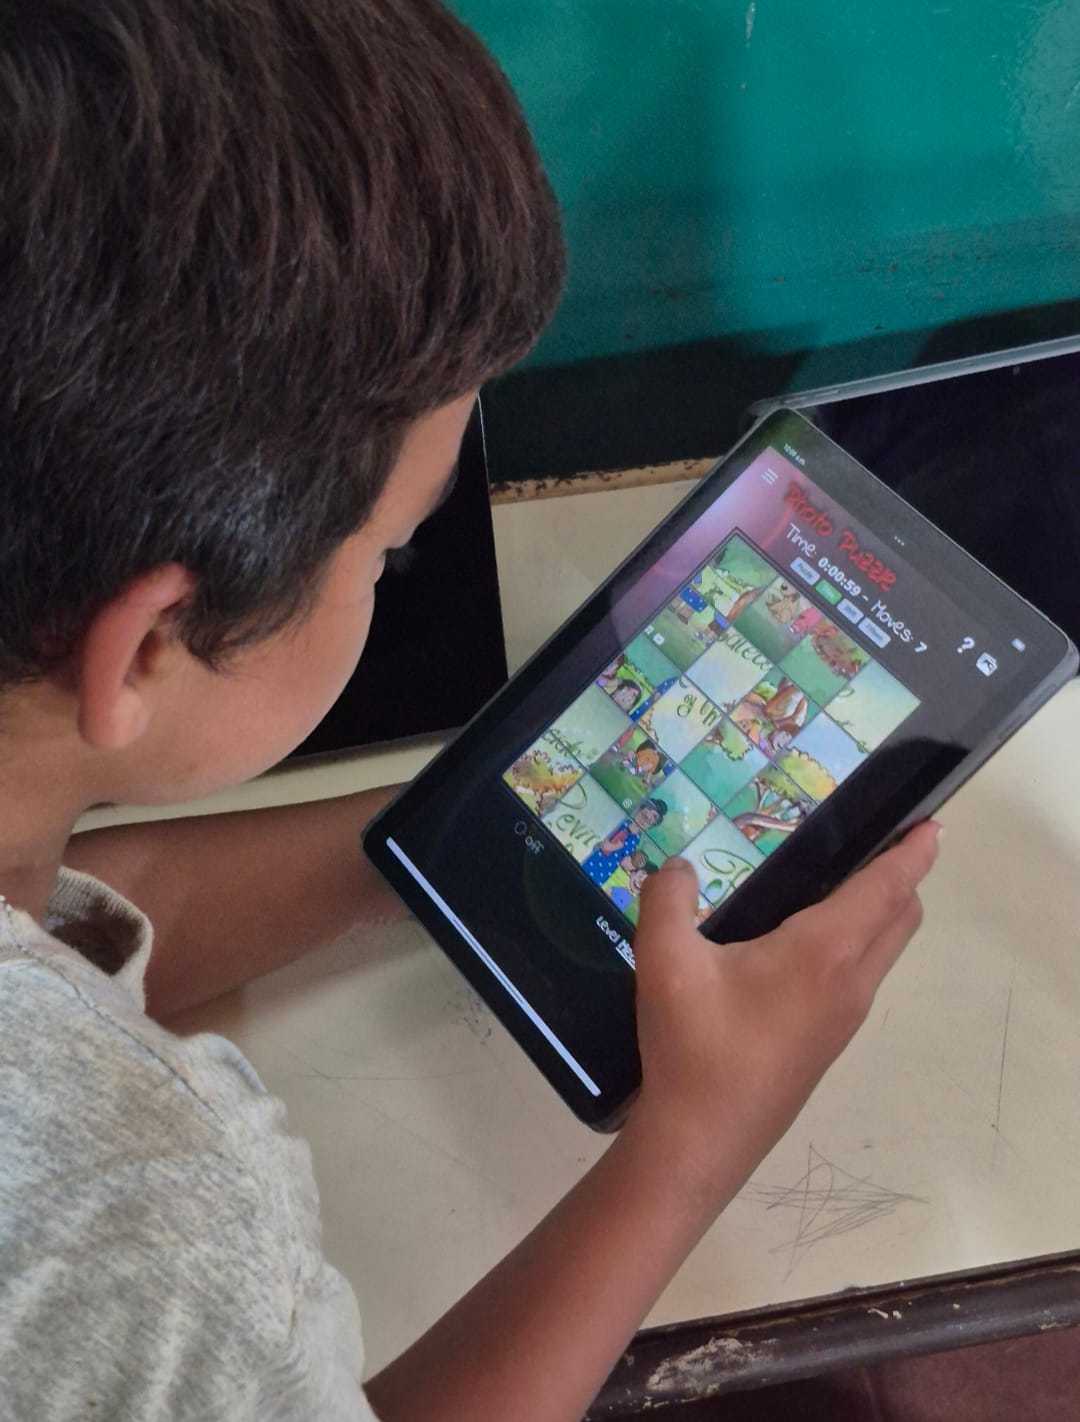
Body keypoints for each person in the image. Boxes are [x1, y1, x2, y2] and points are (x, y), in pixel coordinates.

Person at [0, 3, 941, 1419]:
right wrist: (694, 1142)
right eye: (385, 553)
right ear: (140, 652)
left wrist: (464, 812)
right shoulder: (154, 1208)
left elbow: (79, 920)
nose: (388, 575)